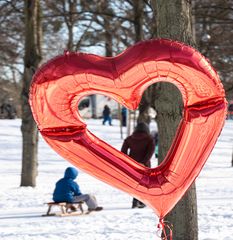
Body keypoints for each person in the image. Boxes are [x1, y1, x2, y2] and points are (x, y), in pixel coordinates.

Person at [121, 122, 155, 208]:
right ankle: (141, 201)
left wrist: (129, 161)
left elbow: (123, 152)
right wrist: (143, 162)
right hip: (145, 166)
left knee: (135, 183)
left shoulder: (129, 139)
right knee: (144, 183)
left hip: (132, 165)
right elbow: (150, 153)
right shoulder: (149, 139)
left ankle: (135, 201)